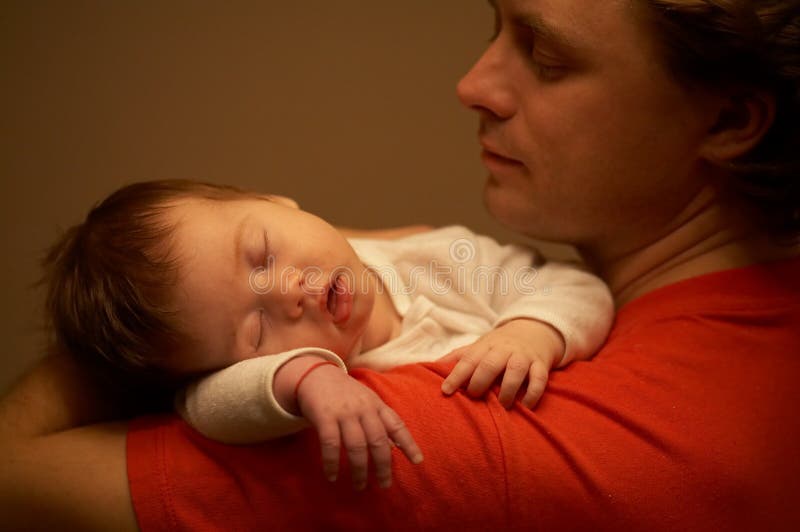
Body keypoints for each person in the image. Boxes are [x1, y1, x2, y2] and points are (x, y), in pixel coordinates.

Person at [1, 0, 799, 530]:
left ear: (727, 117)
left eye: (546, 56)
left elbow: (14, 471)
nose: (472, 84)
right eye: (493, 27)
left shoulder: (445, 435)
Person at [41, 179, 613, 488]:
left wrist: (532, 330)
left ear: (275, 201)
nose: (287, 291)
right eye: (256, 328)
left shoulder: (440, 258)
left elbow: (576, 287)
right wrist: (305, 376)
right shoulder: (306, 377)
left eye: (261, 254)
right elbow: (205, 405)